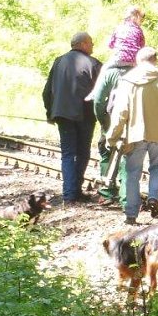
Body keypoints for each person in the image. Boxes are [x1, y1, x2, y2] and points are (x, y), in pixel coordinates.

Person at [107, 47, 158, 225]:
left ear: (137, 61)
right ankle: (153, 198)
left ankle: (131, 214)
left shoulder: (127, 80)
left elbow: (121, 111)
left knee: (132, 173)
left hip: (134, 135)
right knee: (157, 168)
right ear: (155, 60)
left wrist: (112, 136)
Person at [42, 31, 102, 204]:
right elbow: (102, 93)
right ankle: (75, 191)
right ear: (83, 44)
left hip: (62, 114)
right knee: (83, 153)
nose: (92, 45)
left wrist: (50, 112)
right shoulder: (94, 64)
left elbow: (47, 91)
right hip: (85, 114)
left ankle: (70, 194)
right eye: (91, 42)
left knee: (68, 154)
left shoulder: (58, 62)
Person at [90, 58, 133, 204]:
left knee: (106, 152)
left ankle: (107, 192)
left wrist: (103, 120)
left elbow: (99, 100)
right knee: (128, 157)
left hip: (112, 118)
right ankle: (127, 199)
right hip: (134, 122)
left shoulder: (110, 73)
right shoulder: (140, 71)